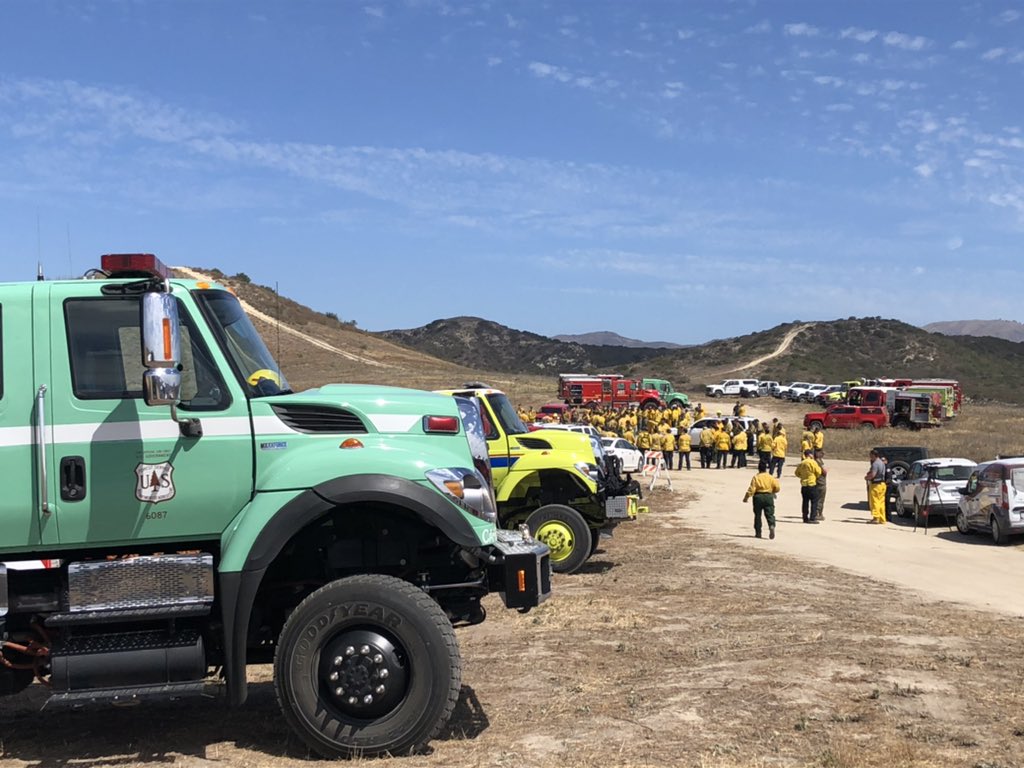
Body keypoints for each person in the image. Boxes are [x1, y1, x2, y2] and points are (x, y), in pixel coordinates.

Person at [744, 460, 781, 539]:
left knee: (757, 515)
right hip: (768, 496)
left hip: (758, 497)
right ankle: (771, 525)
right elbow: (777, 487)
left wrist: (746, 497)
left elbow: (752, 489)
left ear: (759, 468)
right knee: (770, 514)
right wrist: (773, 492)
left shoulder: (756, 477)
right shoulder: (770, 477)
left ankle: (758, 532)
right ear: (766, 469)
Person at [794, 449, 823, 523]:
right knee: (814, 501)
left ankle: (805, 517)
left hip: (804, 485)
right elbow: (818, 472)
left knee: (805, 502)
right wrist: (814, 476)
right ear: (810, 454)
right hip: (811, 484)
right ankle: (812, 518)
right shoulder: (812, 462)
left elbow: (796, 473)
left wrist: (802, 476)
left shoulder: (802, 463)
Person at [865, 449, 888, 524]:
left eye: (871, 456)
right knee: (881, 502)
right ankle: (882, 518)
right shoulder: (882, 463)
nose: (870, 457)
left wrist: (867, 477)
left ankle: (876, 518)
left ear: (874, 455)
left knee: (875, 501)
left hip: (876, 485)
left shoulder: (875, 464)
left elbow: (873, 475)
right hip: (882, 485)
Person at [813, 449, 827, 521]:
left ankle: (818, 513)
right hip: (820, 482)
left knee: (819, 499)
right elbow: (824, 471)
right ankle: (817, 514)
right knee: (820, 499)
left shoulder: (819, 461)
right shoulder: (817, 461)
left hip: (818, 482)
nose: (823, 454)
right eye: (821, 453)